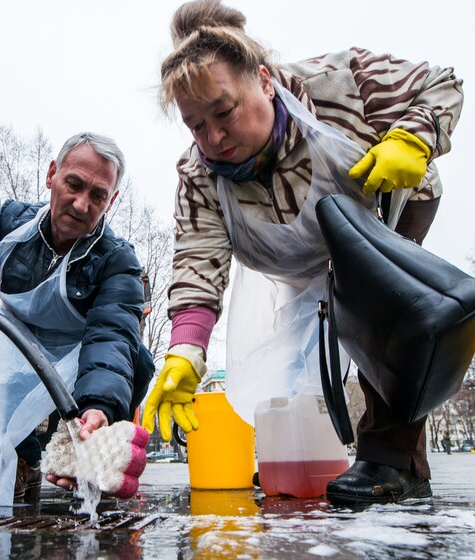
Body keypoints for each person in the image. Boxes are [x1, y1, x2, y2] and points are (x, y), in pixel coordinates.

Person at [143, 0, 463, 506]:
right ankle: (282, 449)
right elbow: (196, 260)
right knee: (291, 349)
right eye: (196, 125)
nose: (215, 138)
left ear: (265, 81)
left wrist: (413, 137)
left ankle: (390, 460)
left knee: (380, 309)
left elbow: (440, 83)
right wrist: (185, 348)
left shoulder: (339, 83)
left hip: (387, 203)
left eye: (224, 112)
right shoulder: (198, 176)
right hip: (297, 253)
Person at [0, 132, 155, 506]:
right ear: (52, 174)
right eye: (74, 184)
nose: (81, 203)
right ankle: (23, 458)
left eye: (98, 195)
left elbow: (111, 336)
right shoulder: (12, 220)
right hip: (13, 341)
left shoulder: (118, 259)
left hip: (76, 355)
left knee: (137, 359)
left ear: (112, 200)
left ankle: (91, 454)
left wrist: (98, 408)